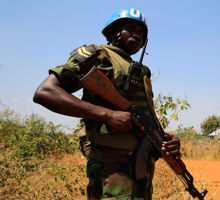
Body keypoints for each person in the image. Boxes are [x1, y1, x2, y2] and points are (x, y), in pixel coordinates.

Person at [33, 8, 181, 200]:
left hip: (141, 169)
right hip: (111, 168)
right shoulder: (99, 55)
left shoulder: (142, 71)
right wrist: (107, 115)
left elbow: (145, 116)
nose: (137, 34)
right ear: (114, 32)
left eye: (142, 33)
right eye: (131, 28)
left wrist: (165, 140)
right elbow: (45, 92)